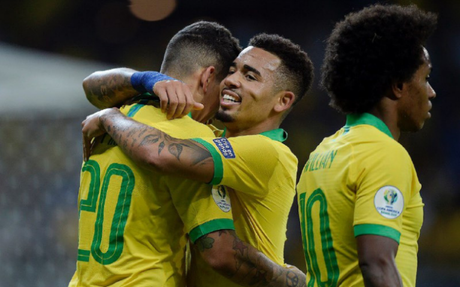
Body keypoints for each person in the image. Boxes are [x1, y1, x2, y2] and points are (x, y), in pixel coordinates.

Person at [70, 21, 305, 287]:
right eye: (230, 72)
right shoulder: (192, 135)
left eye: (249, 76)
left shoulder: (121, 115)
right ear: (208, 78)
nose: (230, 83)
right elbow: (220, 253)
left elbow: (92, 86)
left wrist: (110, 114)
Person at [296, 4, 437, 287]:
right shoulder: (385, 153)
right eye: (426, 78)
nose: (431, 91)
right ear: (398, 86)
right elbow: (378, 262)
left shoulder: (321, 153)